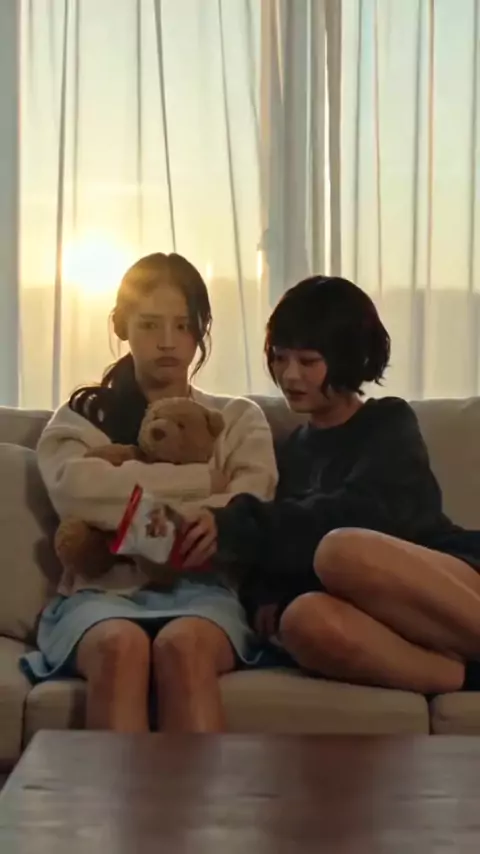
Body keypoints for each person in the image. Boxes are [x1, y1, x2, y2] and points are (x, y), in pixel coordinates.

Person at [178, 275, 480, 695]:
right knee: (301, 619)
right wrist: (268, 594)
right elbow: (281, 552)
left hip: (447, 578)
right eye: (280, 358)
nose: (290, 375)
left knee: (342, 550)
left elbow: (370, 515)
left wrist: (239, 523)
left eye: (308, 361)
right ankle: (462, 678)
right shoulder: (289, 452)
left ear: (348, 359)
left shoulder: (387, 422)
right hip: (372, 614)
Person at [20, 252, 278, 733]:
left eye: (183, 326)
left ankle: (199, 789)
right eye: (150, 325)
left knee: (182, 647)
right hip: (99, 592)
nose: (167, 342)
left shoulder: (236, 419)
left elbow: (251, 501)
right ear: (121, 326)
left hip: (203, 591)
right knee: (120, 647)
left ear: (200, 331)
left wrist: (127, 500)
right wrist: (203, 484)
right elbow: (77, 493)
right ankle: (121, 789)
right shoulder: (81, 418)